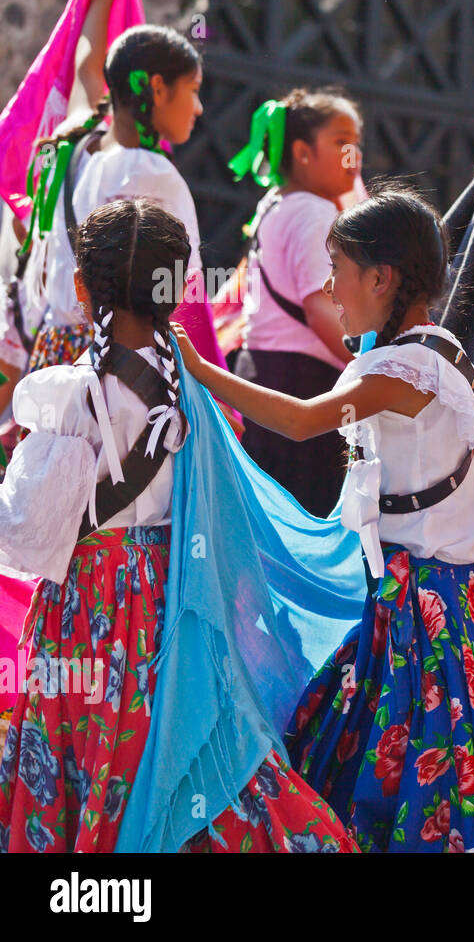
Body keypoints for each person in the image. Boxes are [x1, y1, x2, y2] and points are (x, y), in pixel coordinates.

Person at [173, 186, 474, 853]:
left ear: (382, 277)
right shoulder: (425, 357)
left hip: (431, 610)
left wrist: (202, 371)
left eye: (338, 270)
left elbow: (303, 419)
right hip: (431, 603)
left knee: (426, 759)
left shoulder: (406, 369)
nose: (330, 287)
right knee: (443, 756)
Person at [0, 199, 354, 852]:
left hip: (93, 602)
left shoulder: (73, 393)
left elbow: (24, 530)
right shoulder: (192, 388)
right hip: (174, 596)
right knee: (181, 735)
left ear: (82, 289)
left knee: (90, 733)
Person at [0, 23, 221, 416]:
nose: (199, 106)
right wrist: (214, 392)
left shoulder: (76, 150)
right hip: (115, 365)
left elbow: (88, 72)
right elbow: (184, 290)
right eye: (193, 88)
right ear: (156, 88)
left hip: (54, 354)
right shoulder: (152, 173)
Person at [227, 88, 361, 517]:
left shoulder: (275, 202)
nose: (353, 154)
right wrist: (374, 362)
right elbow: (321, 308)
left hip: (261, 374)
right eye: (341, 141)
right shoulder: (315, 211)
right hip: (302, 385)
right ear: (303, 152)